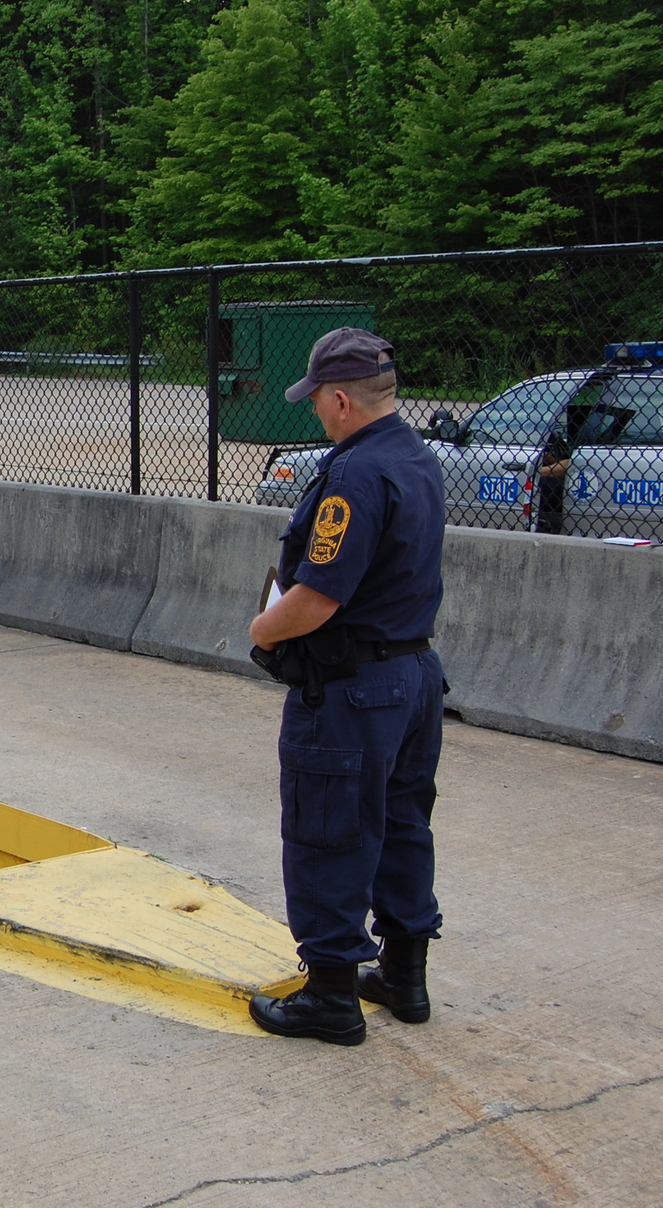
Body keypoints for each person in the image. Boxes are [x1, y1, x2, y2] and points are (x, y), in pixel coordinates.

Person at [246, 327, 447, 1046]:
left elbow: (318, 597)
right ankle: (404, 973)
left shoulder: (355, 474)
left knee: (329, 829)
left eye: (316, 403)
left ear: (339, 398)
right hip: (414, 676)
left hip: (354, 685)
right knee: (400, 824)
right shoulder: (417, 457)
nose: (315, 415)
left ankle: (331, 992)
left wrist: (264, 629)